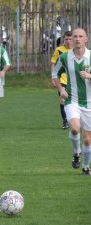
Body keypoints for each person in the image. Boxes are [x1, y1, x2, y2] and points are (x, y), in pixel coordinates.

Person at [52, 28, 91, 175]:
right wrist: (61, 90)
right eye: (75, 36)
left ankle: (86, 167)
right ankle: (76, 152)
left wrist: (89, 76)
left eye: (81, 36)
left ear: (86, 39)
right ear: (71, 39)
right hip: (72, 100)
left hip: (89, 102)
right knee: (74, 128)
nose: (77, 39)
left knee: (88, 139)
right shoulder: (65, 57)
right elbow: (55, 74)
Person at [51, 31, 73, 129]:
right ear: (63, 40)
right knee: (62, 100)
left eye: (70, 39)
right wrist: (53, 78)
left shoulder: (76, 50)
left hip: (74, 81)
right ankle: (65, 121)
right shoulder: (59, 50)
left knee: (73, 102)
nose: (68, 41)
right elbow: (53, 63)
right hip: (62, 80)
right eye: (66, 39)